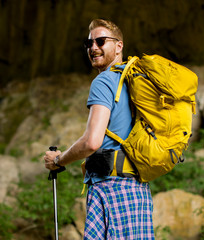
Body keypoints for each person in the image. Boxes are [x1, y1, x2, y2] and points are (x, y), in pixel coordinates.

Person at [44, 19, 154, 239]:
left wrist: (58, 160)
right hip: (137, 190)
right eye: (89, 43)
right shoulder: (137, 82)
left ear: (119, 46)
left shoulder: (103, 82)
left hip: (111, 190)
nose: (93, 48)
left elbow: (92, 142)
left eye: (101, 41)